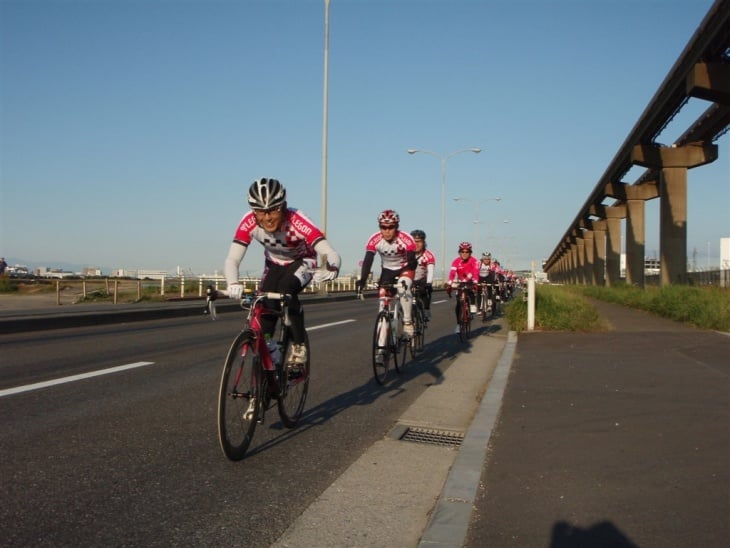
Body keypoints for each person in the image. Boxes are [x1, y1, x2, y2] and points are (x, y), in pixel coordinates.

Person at [224, 178, 341, 369]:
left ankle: (298, 344)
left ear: (284, 207)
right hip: (274, 264)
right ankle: (271, 356)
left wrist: (333, 268)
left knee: (286, 290)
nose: (267, 217)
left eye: (273, 210)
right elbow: (232, 259)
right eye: (261, 211)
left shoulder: (298, 220)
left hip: (303, 261)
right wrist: (232, 282)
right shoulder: (248, 222)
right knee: (265, 308)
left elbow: (329, 252)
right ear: (254, 211)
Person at [356, 209, 417, 352]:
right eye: (384, 228)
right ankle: (381, 346)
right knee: (383, 305)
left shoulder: (406, 238)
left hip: (405, 268)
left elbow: (412, 261)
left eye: (391, 227)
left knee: (402, 288)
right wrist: (362, 281)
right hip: (387, 271)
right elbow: (368, 261)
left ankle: (407, 322)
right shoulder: (374, 239)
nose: (387, 231)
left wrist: (410, 268)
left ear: (396, 227)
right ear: (380, 227)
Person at [446, 241, 480, 333]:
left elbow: (476, 273)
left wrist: (475, 282)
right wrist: (449, 284)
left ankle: (472, 305)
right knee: (458, 303)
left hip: (471, 281)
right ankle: (458, 324)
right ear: (459, 252)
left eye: (467, 252)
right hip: (461, 282)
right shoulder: (456, 261)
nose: (464, 254)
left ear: (470, 253)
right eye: (462, 251)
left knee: (471, 291)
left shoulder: (474, 261)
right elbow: (452, 273)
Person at [411, 230, 435, 321]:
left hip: (422, 279)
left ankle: (426, 309)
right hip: (410, 279)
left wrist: (429, 283)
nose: (416, 244)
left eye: (419, 242)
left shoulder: (428, 255)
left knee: (427, 291)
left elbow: (431, 270)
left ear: (423, 242)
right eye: (414, 242)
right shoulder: (406, 254)